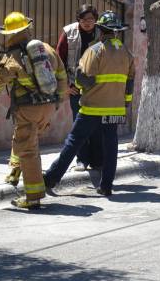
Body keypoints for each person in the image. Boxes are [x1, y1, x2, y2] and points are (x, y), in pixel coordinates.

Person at [0, 11, 65, 210]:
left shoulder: (12, 57)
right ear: (28, 28)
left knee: (28, 151)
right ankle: (14, 171)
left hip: (28, 108)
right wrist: (58, 101)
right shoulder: (47, 49)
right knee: (26, 139)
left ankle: (33, 197)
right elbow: (61, 74)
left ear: (9, 34)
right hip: (48, 106)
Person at [44, 11, 134, 198]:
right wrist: (125, 104)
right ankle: (106, 186)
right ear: (117, 31)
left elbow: (83, 80)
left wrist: (76, 81)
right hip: (115, 108)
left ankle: (51, 179)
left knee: (74, 142)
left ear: (100, 29)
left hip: (92, 107)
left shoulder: (94, 51)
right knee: (111, 146)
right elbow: (129, 84)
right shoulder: (127, 54)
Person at [56, 3, 100, 171]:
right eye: (84, 19)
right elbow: (58, 60)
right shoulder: (69, 32)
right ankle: (82, 159)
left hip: (96, 87)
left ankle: (97, 160)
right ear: (78, 19)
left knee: (97, 124)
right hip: (75, 86)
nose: (87, 22)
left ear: (95, 20)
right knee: (79, 123)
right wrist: (65, 85)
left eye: (91, 19)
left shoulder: (101, 32)